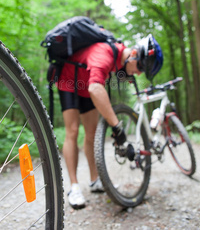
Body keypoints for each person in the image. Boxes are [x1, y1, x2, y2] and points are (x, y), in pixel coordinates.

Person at [57, 32, 163, 209]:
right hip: (68, 81)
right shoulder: (105, 53)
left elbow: (94, 86)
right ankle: (74, 187)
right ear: (134, 55)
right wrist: (116, 126)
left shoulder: (118, 60)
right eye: (140, 68)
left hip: (86, 85)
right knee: (73, 131)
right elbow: (96, 87)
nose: (138, 73)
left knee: (91, 133)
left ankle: (94, 181)